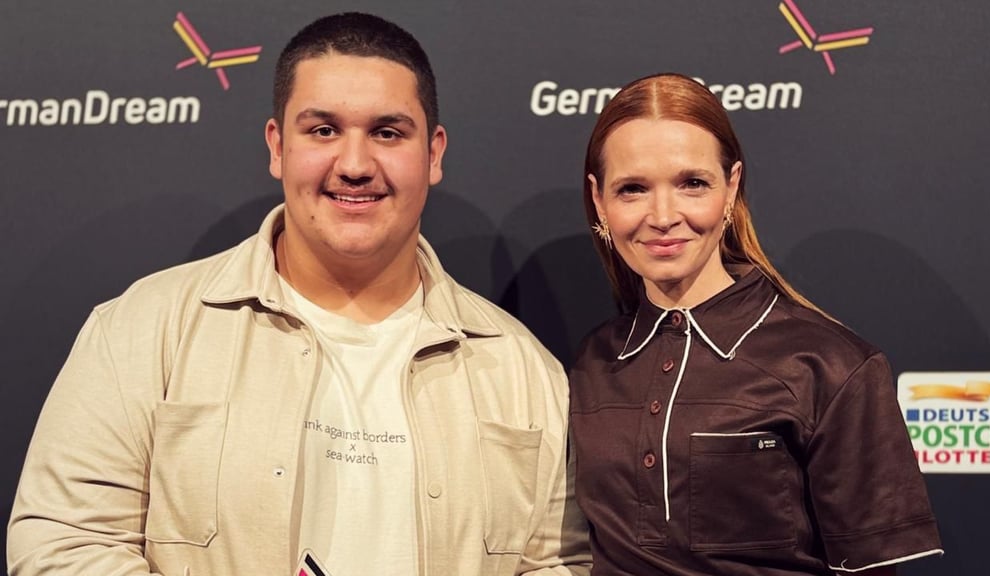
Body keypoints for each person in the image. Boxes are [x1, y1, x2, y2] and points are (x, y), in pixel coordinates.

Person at [7, 13, 591, 576]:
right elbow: (65, 541)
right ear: (277, 146)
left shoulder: (522, 368)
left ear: (433, 153)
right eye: (323, 130)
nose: (355, 164)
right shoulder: (142, 329)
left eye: (387, 132)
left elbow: (558, 565)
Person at [569, 73, 942, 576]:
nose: (662, 215)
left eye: (692, 184)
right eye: (632, 189)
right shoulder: (592, 362)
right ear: (599, 201)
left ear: (732, 187)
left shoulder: (833, 367)